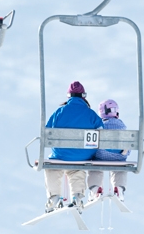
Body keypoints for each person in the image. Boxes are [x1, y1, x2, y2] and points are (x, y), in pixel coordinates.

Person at [44, 81, 103, 212]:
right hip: (84, 155)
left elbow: (47, 132)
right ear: (84, 96)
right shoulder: (91, 114)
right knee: (77, 168)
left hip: (61, 155)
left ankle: (54, 197)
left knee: (52, 168)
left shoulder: (59, 112)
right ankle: (77, 196)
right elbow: (102, 133)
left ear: (69, 96)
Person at [87, 99, 130, 202]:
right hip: (119, 157)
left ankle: (95, 188)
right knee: (121, 167)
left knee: (94, 166)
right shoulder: (122, 125)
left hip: (100, 156)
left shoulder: (100, 124)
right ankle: (119, 188)